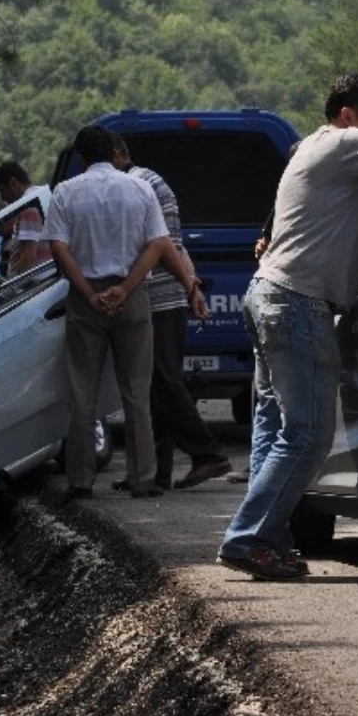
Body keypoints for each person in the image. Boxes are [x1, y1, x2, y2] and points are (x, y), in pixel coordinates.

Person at [217, 73, 358, 581]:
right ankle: (247, 537)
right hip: (297, 303)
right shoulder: (343, 143)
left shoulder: (324, 154)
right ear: (349, 115)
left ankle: (267, 540)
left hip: (272, 294)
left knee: (275, 428)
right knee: (307, 435)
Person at [43, 125, 172, 501]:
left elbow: (58, 248)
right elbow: (158, 245)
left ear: (82, 157)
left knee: (83, 395)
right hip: (131, 298)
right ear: (115, 151)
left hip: (86, 301)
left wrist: (88, 291)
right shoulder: (139, 188)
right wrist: (126, 288)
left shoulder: (66, 192)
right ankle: (142, 479)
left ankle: (81, 481)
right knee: (137, 393)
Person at [107, 133, 233, 492]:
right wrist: (190, 285)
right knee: (153, 387)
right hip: (166, 291)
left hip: (159, 295)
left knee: (163, 379)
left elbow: (164, 245)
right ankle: (153, 471)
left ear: (118, 155)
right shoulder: (147, 181)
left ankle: (207, 453)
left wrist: (187, 286)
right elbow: (176, 242)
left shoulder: (139, 183)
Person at [0, 161, 53, 275]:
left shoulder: (28, 208)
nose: (3, 198)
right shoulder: (40, 196)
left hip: (37, 284)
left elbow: (29, 254)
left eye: (2, 191)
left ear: (13, 183)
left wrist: (17, 286)